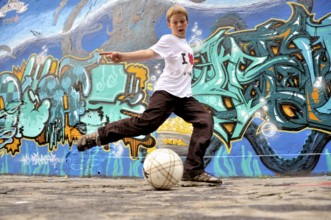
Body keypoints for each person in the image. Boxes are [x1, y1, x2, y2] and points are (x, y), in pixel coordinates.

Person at [77, 4, 222, 184]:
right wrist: (123, 57)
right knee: (145, 125)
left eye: (182, 21)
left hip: (184, 97)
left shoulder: (185, 45)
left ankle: (193, 170)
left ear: (187, 22)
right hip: (167, 93)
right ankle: (99, 136)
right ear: (169, 25)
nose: (179, 25)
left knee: (205, 121)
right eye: (175, 22)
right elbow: (149, 53)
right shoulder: (169, 40)